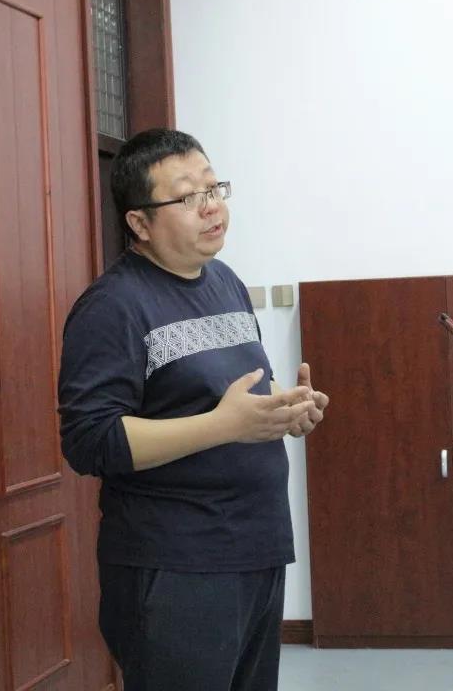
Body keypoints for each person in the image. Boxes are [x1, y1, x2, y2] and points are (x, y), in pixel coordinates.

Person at [57, 128, 329, 691]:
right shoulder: (112, 306)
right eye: (186, 196)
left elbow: (233, 398)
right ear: (139, 223)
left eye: (213, 187)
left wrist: (285, 411)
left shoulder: (224, 282)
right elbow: (89, 440)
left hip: (256, 546)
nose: (211, 207)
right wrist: (222, 426)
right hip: (177, 564)